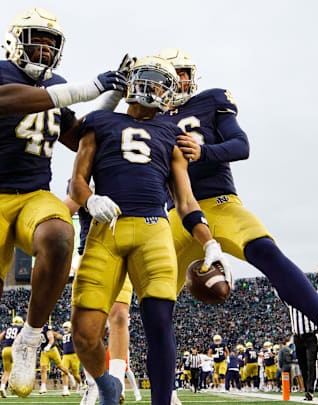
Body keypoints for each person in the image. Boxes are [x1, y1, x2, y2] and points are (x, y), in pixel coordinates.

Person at [0, 7, 126, 404]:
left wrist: (111, 98)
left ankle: (30, 338)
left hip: (34, 194)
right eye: (38, 38)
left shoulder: (59, 86)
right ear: (15, 40)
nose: (45, 48)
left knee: (60, 234)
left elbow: (78, 136)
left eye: (52, 42)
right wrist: (86, 88)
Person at [156, 47, 318, 360]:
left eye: (184, 73)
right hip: (177, 215)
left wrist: (205, 153)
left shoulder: (212, 100)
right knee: (153, 297)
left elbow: (241, 145)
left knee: (265, 249)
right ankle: (143, 382)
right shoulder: (149, 119)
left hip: (220, 203)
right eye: (173, 75)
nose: (180, 81)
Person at [68, 55, 228, 405]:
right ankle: (107, 386)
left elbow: (185, 201)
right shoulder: (100, 120)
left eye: (161, 82)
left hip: (154, 229)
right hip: (105, 230)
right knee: (84, 332)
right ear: (132, 81)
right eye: (148, 78)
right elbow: (76, 182)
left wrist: (210, 242)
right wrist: (90, 200)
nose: (153, 87)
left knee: (158, 324)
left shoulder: (173, 133)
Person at [286, 261, 318, 400]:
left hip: (310, 336)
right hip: (298, 337)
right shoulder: (289, 300)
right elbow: (278, 292)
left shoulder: (311, 298)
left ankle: (310, 390)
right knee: (303, 364)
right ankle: (307, 390)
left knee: (311, 362)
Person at [0, 316, 25, 398]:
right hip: (15, 350)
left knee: (6, 371)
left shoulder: (8, 328)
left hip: (5, 350)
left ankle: (2, 387)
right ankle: (16, 388)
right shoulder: (21, 329)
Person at [60, 321, 83, 396]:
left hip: (74, 355)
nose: (65, 329)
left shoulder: (74, 334)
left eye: (66, 327)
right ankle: (65, 389)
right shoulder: (64, 336)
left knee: (75, 374)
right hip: (65, 355)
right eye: (64, 328)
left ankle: (80, 384)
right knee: (63, 372)